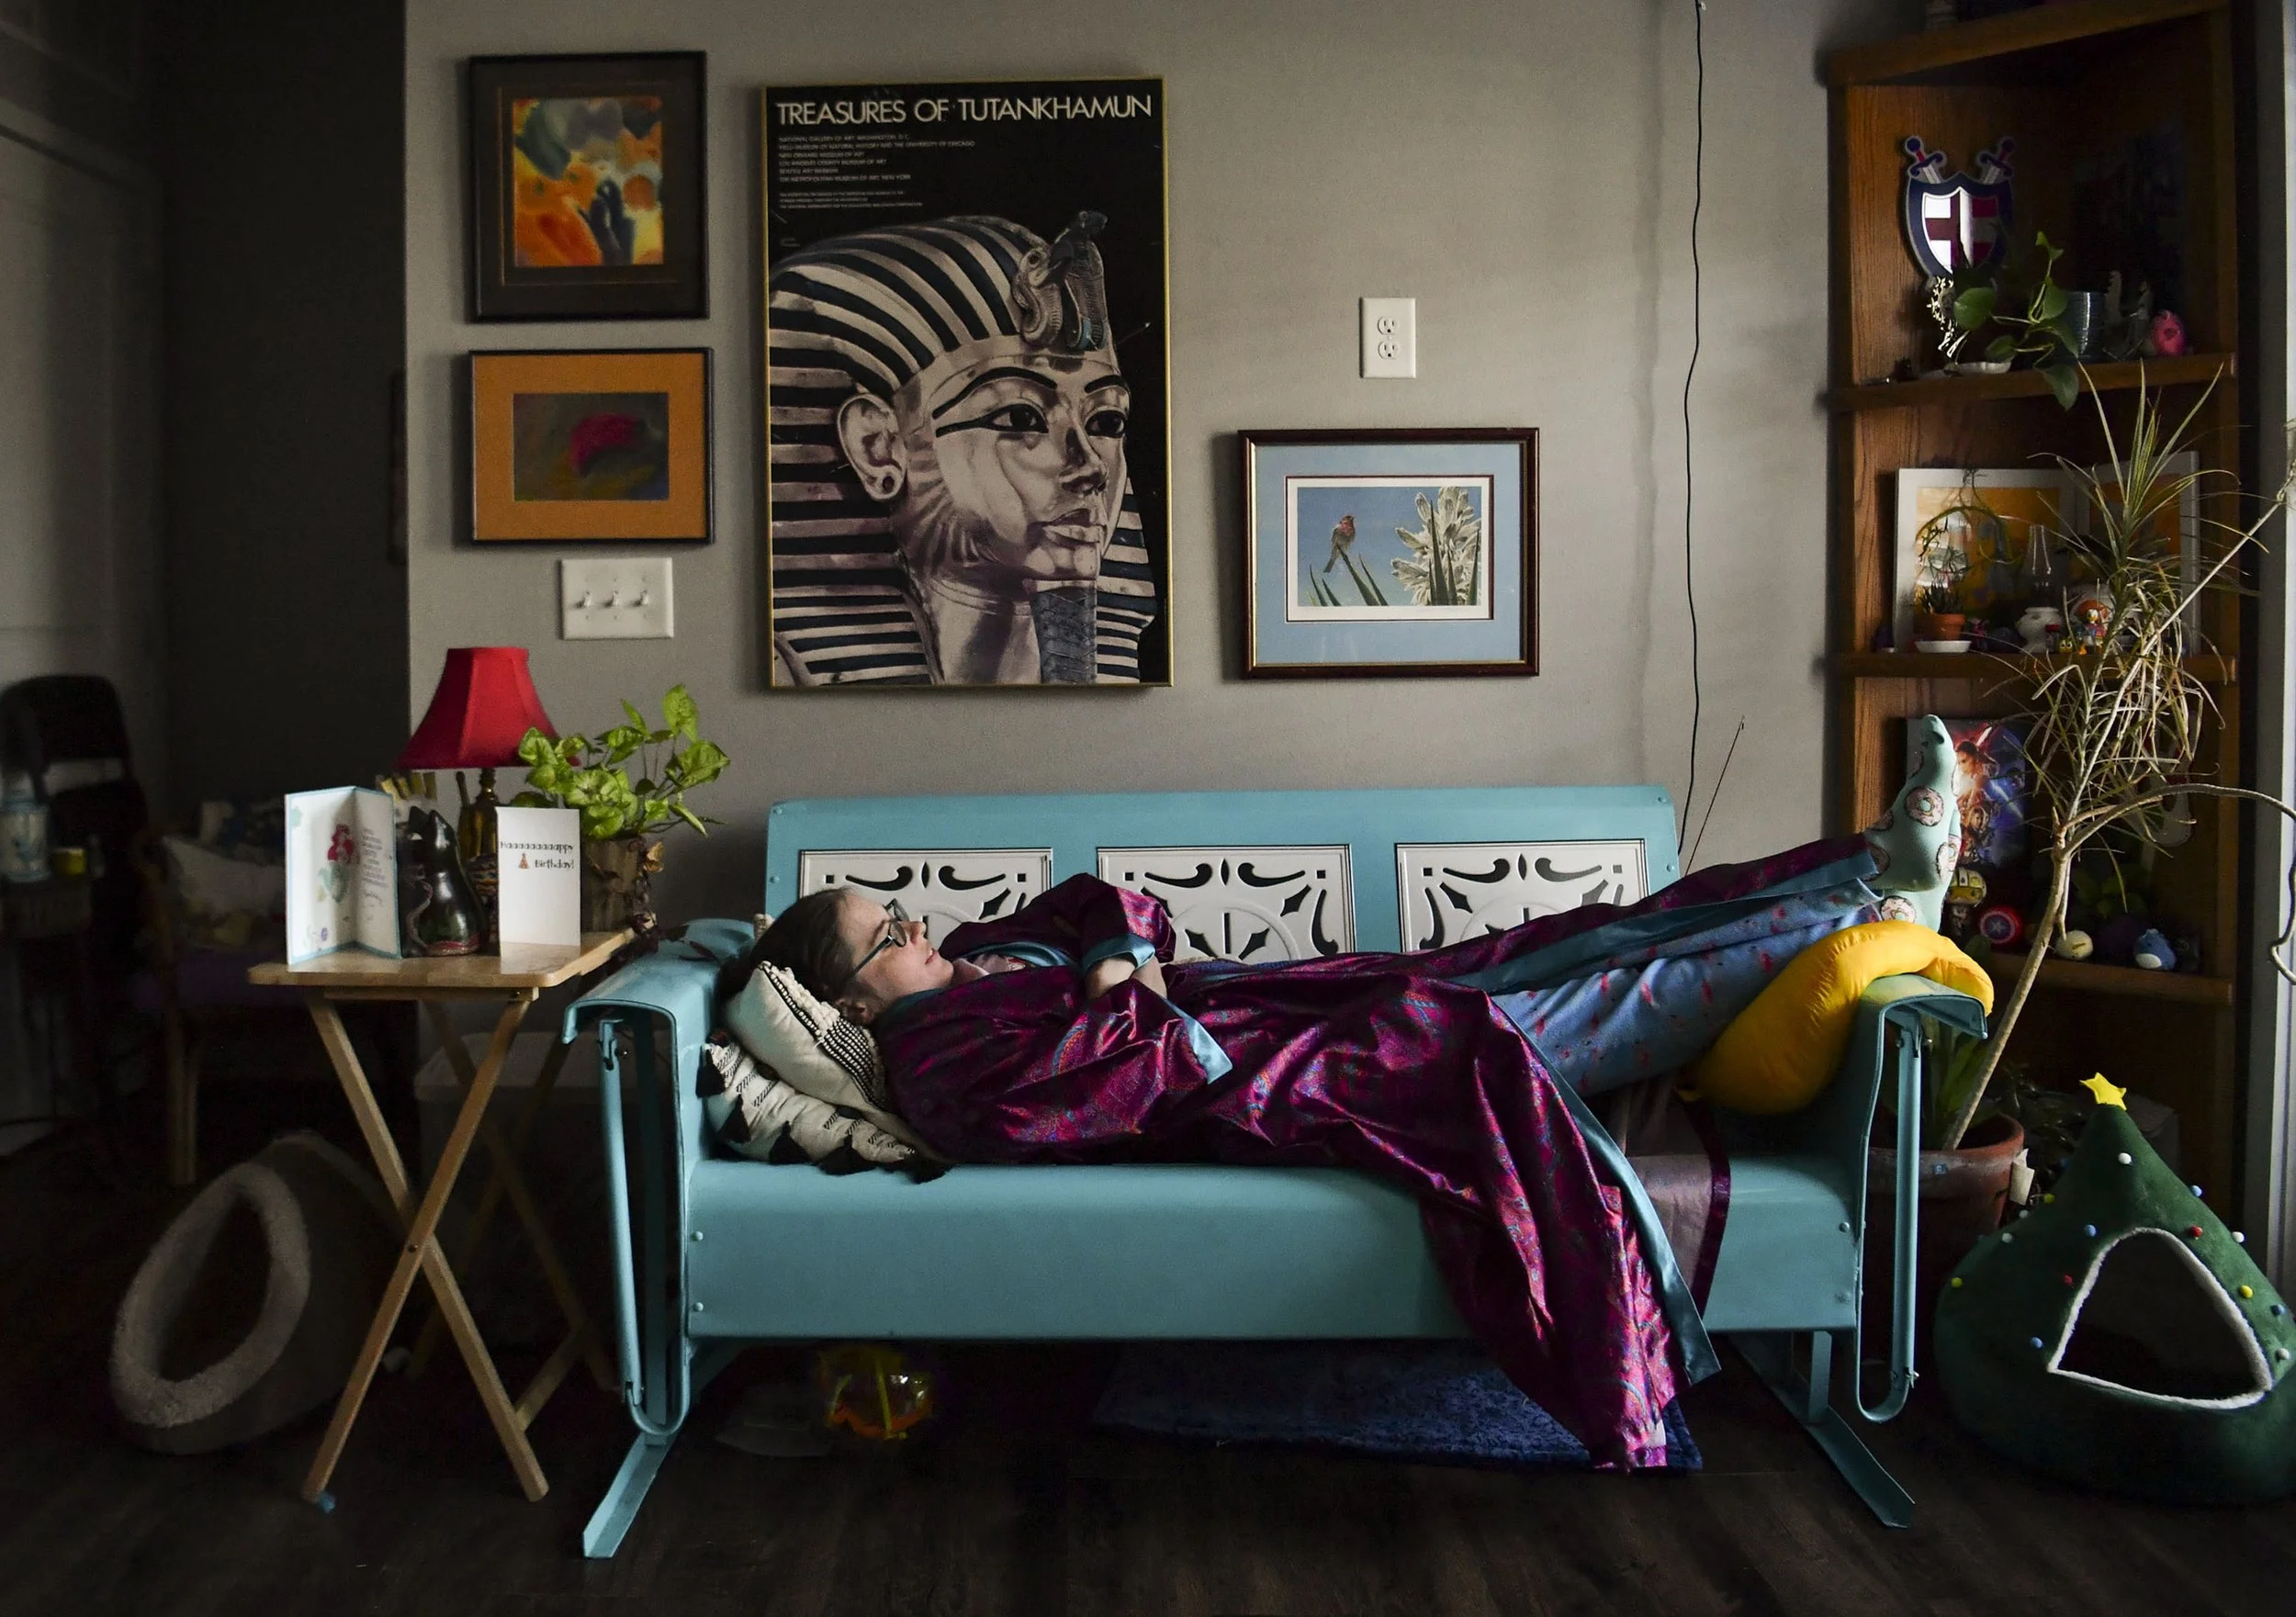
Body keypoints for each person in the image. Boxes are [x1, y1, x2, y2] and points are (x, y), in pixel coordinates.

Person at [720, 721, 1966, 1468]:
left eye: (900, 903)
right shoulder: (940, 1059)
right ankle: (1866, 901)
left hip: (1288, 1003)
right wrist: (1129, 997)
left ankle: (1863, 874)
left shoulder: (978, 963)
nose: (918, 919)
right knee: (1550, 1015)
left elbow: (1100, 898)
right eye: (890, 930)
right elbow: (1074, 1104)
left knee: (1583, 938)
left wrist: (1113, 956)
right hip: (1280, 1080)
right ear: (859, 1005)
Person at [766, 210, 1161, 686]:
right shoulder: (783, 677)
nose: (1091, 467)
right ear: (878, 447)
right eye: (1020, 417)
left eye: (1106, 420)